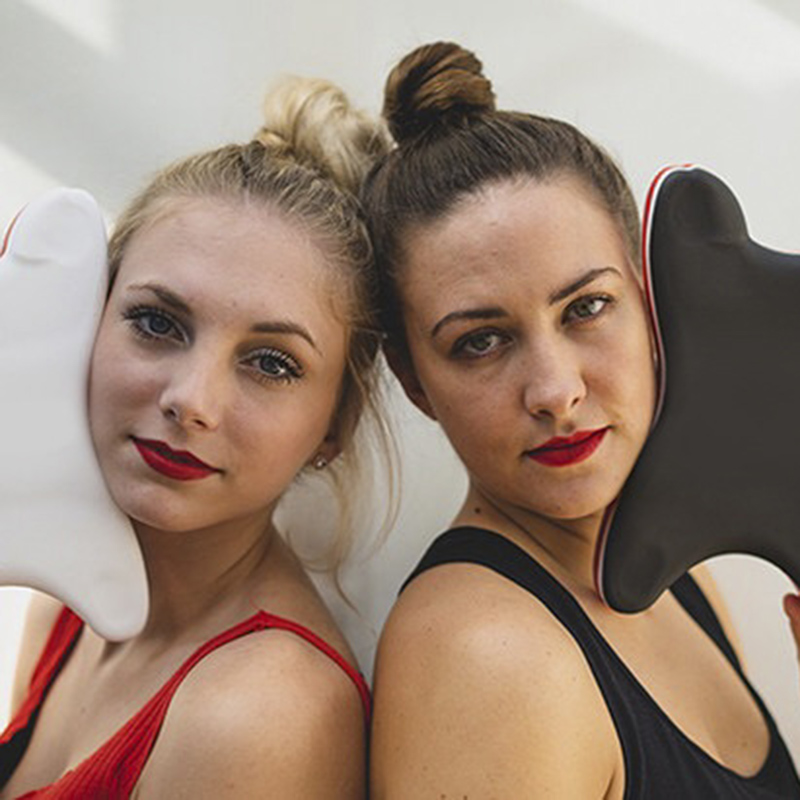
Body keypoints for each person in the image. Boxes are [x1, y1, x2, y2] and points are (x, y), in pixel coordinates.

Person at [362, 42, 800, 798]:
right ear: (414, 382)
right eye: (480, 341)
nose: (556, 391)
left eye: (587, 307)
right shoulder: (489, 660)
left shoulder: (675, 580)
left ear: (654, 303)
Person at [0, 75, 389, 799]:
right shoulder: (65, 603)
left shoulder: (260, 714)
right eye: (157, 323)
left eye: (271, 363)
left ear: (334, 426)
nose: (191, 400)